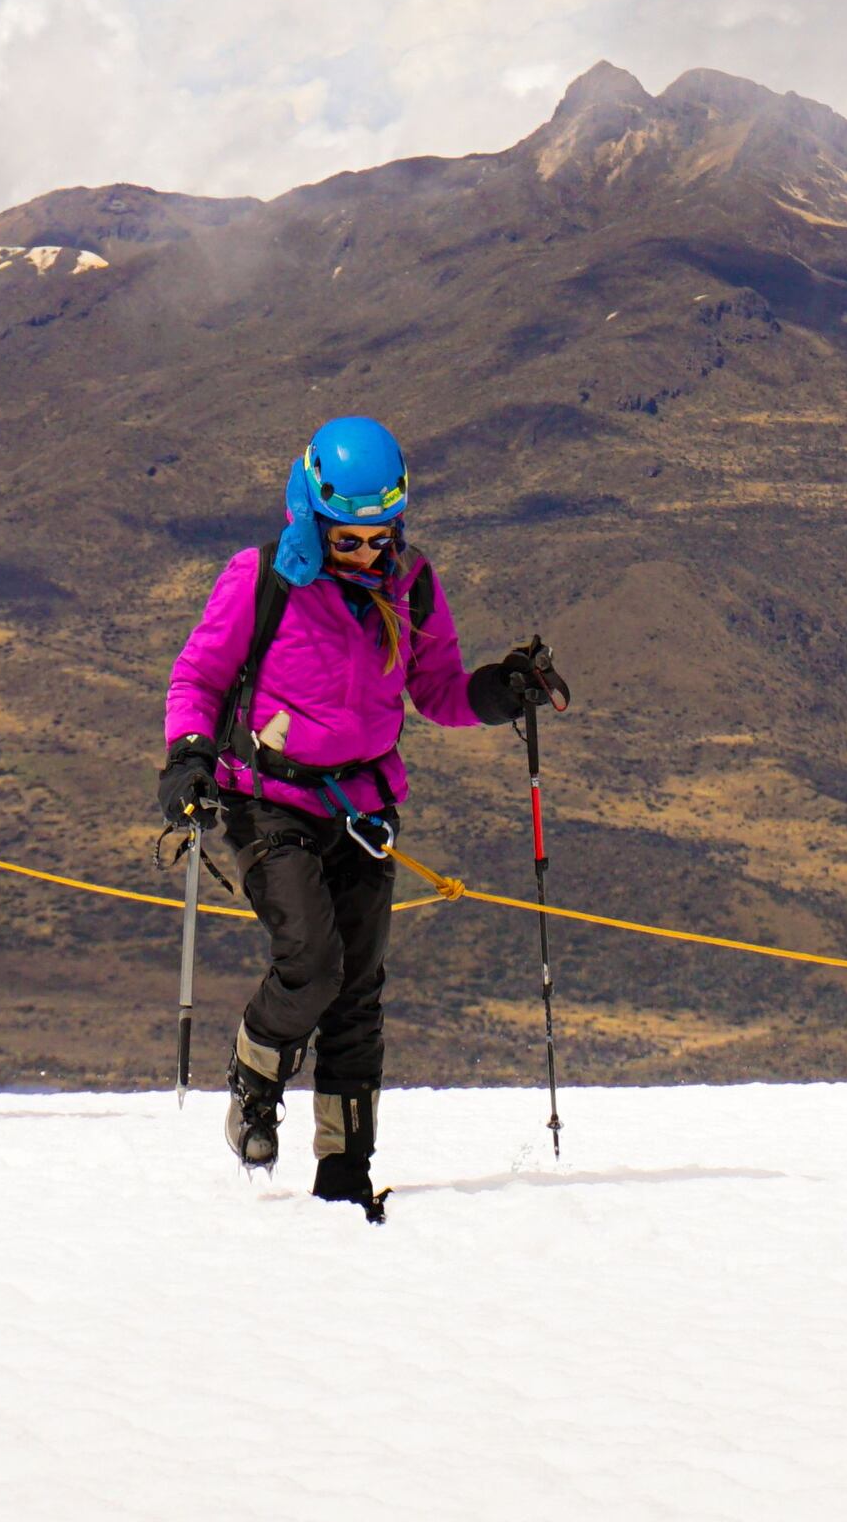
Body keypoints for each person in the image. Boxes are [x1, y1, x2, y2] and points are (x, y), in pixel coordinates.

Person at [158, 416, 567, 1211]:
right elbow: (197, 679)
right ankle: (255, 1067)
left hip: (363, 808)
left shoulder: (409, 586)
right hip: (268, 799)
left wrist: (499, 689)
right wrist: (188, 757)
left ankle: (345, 1175)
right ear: (312, 516)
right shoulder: (262, 578)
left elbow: (439, 690)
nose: (368, 554)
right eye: (349, 539)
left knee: (357, 991)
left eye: (381, 536)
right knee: (312, 959)